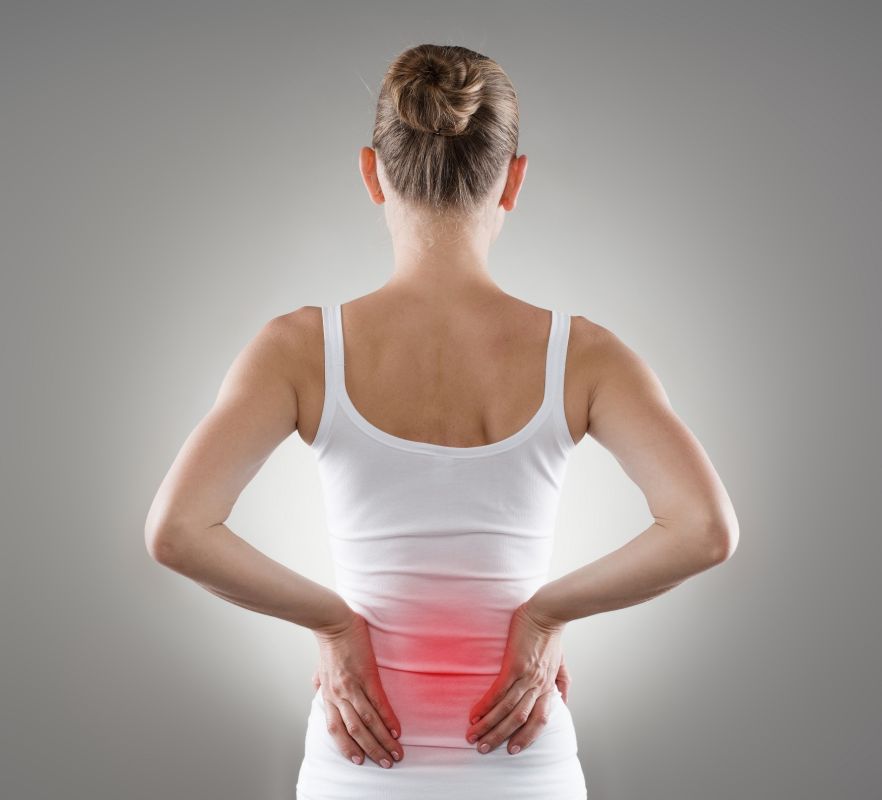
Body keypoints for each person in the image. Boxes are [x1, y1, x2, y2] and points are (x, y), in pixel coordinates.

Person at [144, 43, 739, 800]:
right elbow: (705, 529)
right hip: (525, 768)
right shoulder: (584, 355)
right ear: (514, 180)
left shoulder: (300, 349)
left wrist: (334, 625)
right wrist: (546, 615)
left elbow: (176, 530)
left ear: (372, 173)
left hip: (358, 767)